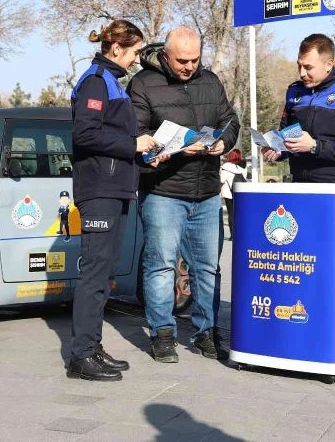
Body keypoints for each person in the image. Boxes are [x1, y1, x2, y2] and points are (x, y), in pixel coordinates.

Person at [129, 26, 240, 363]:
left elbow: (229, 118)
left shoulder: (210, 80)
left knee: (207, 269)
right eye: (182, 61)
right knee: (161, 265)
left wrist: (224, 142)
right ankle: (163, 333)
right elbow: (135, 134)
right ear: (166, 54)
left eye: (195, 60)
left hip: (206, 191)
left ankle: (207, 333)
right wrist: (173, 149)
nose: (190, 66)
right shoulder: (143, 84)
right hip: (163, 191)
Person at [67, 19, 159, 382]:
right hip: (99, 191)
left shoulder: (111, 83)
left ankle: (91, 346)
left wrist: (144, 152)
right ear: (117, 48)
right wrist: (131, 144)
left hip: (117, 188)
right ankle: (81, 357)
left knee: (104, 275)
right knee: (94, 275)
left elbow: (112, 137)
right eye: (135, 51)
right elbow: (85, 134)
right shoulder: (94, 81)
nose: (138, 59)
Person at [263, 33, 335, 183]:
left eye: (308, 67)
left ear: (329, 64)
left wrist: (315, 146)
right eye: (299, 65)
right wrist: (278, 151)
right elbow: (286, 137)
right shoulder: (293, 92)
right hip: (298, 185)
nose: (302, 73)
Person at [220, 149, 247, 241]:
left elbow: (221, 180)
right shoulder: (242, 168)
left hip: (229, 194)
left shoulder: (225, 167)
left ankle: (233, 235)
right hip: (240, 193)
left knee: (231, 214)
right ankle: (240, 234)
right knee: (239, 214)